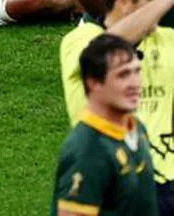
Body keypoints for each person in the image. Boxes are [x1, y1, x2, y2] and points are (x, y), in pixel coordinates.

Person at [61, 0, 174, 212]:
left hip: (164, 182)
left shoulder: (167, 40)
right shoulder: (79, 41)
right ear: (123, 2)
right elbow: (104, 51)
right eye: (152, 0)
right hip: (106, 176)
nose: (162, 7)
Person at [51, 33, 157, 216]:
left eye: (136, 72)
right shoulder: (87, 150)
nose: (135, 84)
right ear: (94, 83)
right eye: (123, 75)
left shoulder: (136, 128)